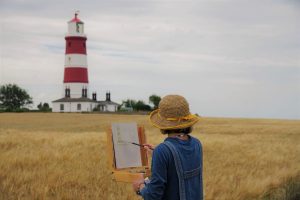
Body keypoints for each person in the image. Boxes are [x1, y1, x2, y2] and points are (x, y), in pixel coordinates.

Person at [132, 95, 203, 200]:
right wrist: (158, 153)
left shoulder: (163, 151)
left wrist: (140, 187)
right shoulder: (197, 144)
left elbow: (153, 196)